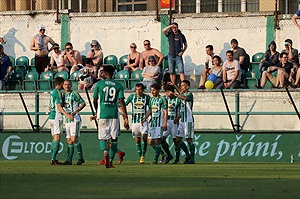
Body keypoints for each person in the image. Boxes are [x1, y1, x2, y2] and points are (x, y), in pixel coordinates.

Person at [91, 64, 129, 168]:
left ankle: (105, 153)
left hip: (103, 114)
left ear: (105, 73)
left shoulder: (99, 84)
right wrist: (126, 118)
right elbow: (121, 101)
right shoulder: (118, 85)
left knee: (103, 139)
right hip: (114, 115)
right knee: (114, 139)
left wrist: (97, 110)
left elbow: (94, 100)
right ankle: (111, 160)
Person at [49, 77, 73, 165]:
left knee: (53, 138)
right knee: (57, 139)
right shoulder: (58, 93)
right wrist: (67, 114)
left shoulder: (52, 92)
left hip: (51, 117)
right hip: (56, 117)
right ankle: (53, 159)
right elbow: (59, 106)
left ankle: (53, 158)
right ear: (61, 83)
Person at [141, 83, 167, 164]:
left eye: (154, 90)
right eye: (151, 90)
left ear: (158, 90)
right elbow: (150, 110)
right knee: (150, 142)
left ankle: (155, 160)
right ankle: (162, 153)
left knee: (158, 141)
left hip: (159, 123)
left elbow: (165, 112)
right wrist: (145, 118)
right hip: (152, 123)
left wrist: (165, 123)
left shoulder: (162, 99)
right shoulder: (151, 100)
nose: (152, 92)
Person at [62, 80, 86, 165]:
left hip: (75, 119)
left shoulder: (74, 94)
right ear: (63, 86)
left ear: (71, 85)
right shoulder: (62, 95)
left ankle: (80, 158)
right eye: (65, 84)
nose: (67, 86)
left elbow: (83, 103)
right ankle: (69, 160)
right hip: (67, 119)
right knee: (69, 140)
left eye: (68, 84)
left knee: (74, 139)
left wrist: (76, 111)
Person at [170, 80, 194, 164]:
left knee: (189, 139)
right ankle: (187, 155)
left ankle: (192, 159)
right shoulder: (182, 94)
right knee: (177, 140)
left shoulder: (189, 94)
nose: (181, 87)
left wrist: (177, 95)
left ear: (187, 87)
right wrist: (174, 85)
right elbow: (181, 95)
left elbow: (185, 98)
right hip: (182, 120)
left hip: (188, 120)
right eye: (181, 85)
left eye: (183, 85)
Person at [125, 83, 150, 164]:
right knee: (137, 139)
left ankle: (143, 155)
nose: (138, 91)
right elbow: (123, 104)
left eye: (140, 90)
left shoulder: (147, 97)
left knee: (144, 137)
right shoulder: (132, 97)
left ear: (143, 90)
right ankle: (140, 157)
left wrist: (146, 117)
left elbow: (150, 109)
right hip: (134, 122)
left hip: (143, 121)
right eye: (136, 89)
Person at [161, 84, 181, 164]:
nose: (170, 93)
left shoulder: (177, 100)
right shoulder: (163, 99)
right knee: (162, 140)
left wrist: (178, 117)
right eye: (169, 91)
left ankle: (177, 159)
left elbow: (181, 110)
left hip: (174, 122)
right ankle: (169, 155)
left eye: (172, 91)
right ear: (166, 92)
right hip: (166, 121)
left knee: (175, 141)